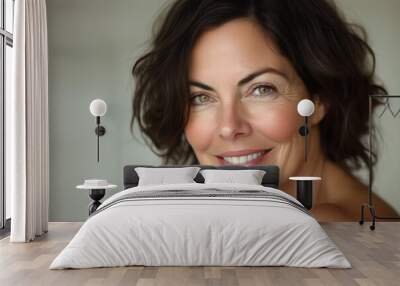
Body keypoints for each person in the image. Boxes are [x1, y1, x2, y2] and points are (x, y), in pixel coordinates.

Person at [130, 0, 398, 220]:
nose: (229, 127)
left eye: (261, 89)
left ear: (319, 99)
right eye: (200, 97)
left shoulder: (323, 227)